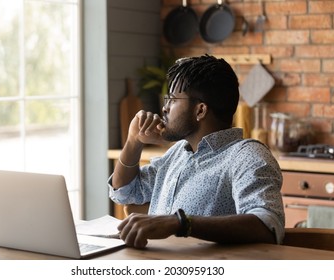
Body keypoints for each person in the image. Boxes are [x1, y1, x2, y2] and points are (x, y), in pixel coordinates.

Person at [108, 54, 284, 249]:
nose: (164, 108)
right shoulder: (177, 153)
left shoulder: (247, 156)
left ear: (200, 110)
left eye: (172, 100)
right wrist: (134, 141)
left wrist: (181, 223)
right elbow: (124, 193)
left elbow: (267, 226)